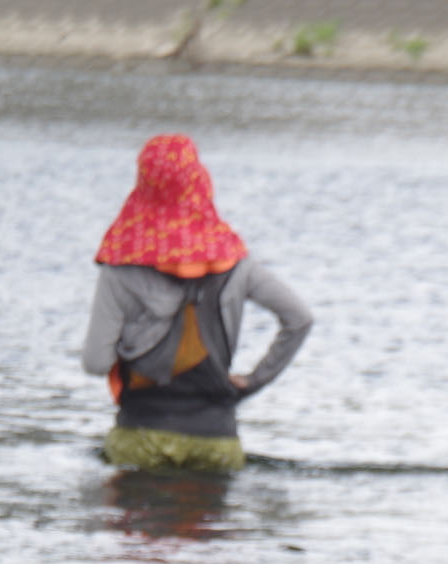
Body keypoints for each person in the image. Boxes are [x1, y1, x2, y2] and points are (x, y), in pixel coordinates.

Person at [80, 134, 312, 473]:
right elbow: (299, 319)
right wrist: (252, 381)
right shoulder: (238, 265)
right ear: (201, 182)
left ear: (142, 184)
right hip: (217, 441)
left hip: (140, 436)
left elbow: (96, 362)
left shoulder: (119, 270)